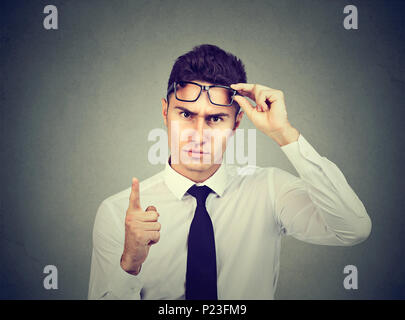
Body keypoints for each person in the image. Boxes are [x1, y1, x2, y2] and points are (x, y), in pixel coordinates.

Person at [88, 44, 372, 300]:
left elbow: (353, 229)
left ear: (236, 123)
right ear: (165, 113)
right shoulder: (117, 214)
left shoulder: (269, 190)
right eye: (185, 114)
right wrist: (130, 264)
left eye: (215, 118)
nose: (198, 135)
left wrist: (285, 134)